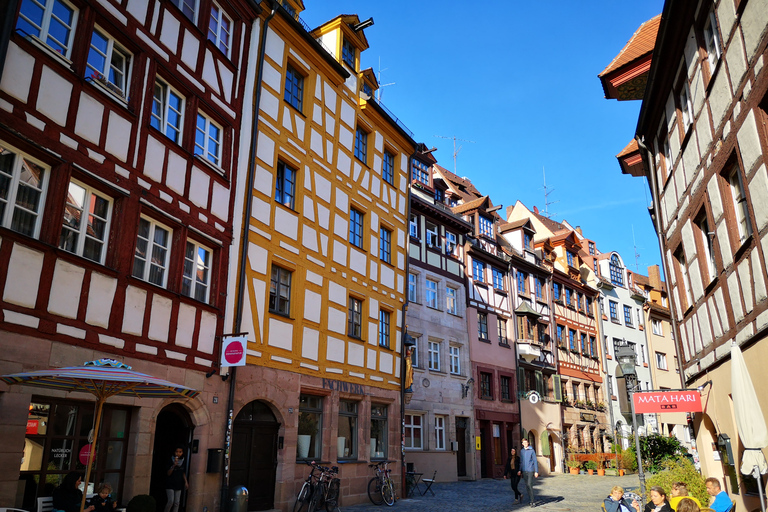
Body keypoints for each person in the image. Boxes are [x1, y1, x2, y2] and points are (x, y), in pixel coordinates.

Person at [165, 446, 189, 512]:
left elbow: (183, 472)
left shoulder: (183, 461)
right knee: (171, 501)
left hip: (179, 483)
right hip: (170, 483)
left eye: (180, 452)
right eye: (176, 452)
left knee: (177, 503)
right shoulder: (171, 460)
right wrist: (173, 465)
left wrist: (186, 482)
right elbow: (168, 473)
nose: (178, 453)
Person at [519, 438, 539, 506]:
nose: (525, 444)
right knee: (527, 486)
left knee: (530, 484)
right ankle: (530, 499)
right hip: (524, 471)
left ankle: (532, 501)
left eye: (526, 442)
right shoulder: (522, 451)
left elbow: (535, 461)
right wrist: (520, 470)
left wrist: (536, 471)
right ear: (522, 444)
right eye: (523, 443)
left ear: (528, 443)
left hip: (530, 470)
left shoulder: (532, 450)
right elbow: (521, 462)